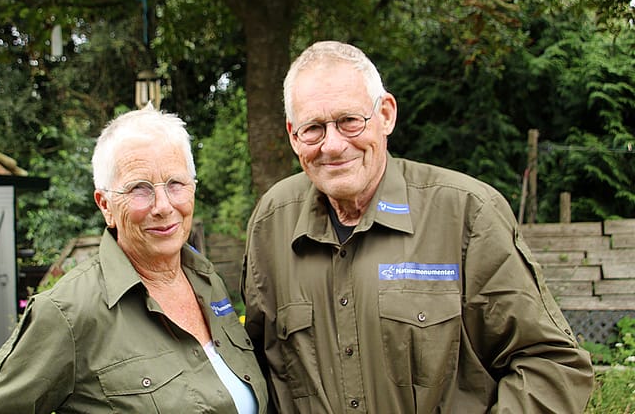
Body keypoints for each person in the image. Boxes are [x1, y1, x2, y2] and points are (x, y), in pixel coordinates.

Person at [241, 40, 594, 413]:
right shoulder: (272, 221)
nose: (332, 145)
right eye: (313, 128)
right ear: (293, 134)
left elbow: (552, 365)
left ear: (386, 115)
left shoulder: (466, 214)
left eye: (349, 121)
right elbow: (257, 368)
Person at [0, 104, 268, 413]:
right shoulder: (69, 313)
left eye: (175, 184)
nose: (163, 205)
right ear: (105, 204)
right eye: (139, 189)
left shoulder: (207, 280)